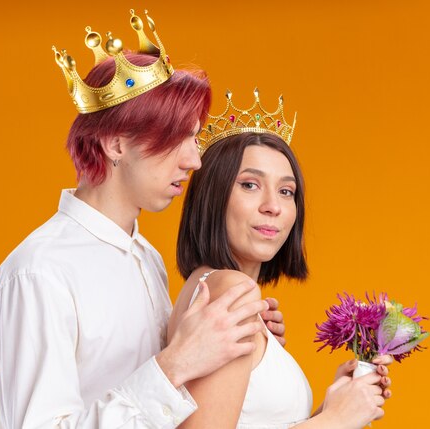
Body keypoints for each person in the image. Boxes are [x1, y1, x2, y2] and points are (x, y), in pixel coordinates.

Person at [0, 11, 286, 429]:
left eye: (195, 139)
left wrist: (248, 351)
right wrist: (175, 363)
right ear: (115, 143)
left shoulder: (146, 259)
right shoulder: (40, 273)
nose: (194, 159)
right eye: (178, 139)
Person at [168, 90, 393, 428]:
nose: (272, 205)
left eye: (286, 191)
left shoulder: (211, 288)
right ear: (212, 197)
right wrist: (335, 421)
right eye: (249, 185)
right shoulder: (232, 290)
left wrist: (330, 407)